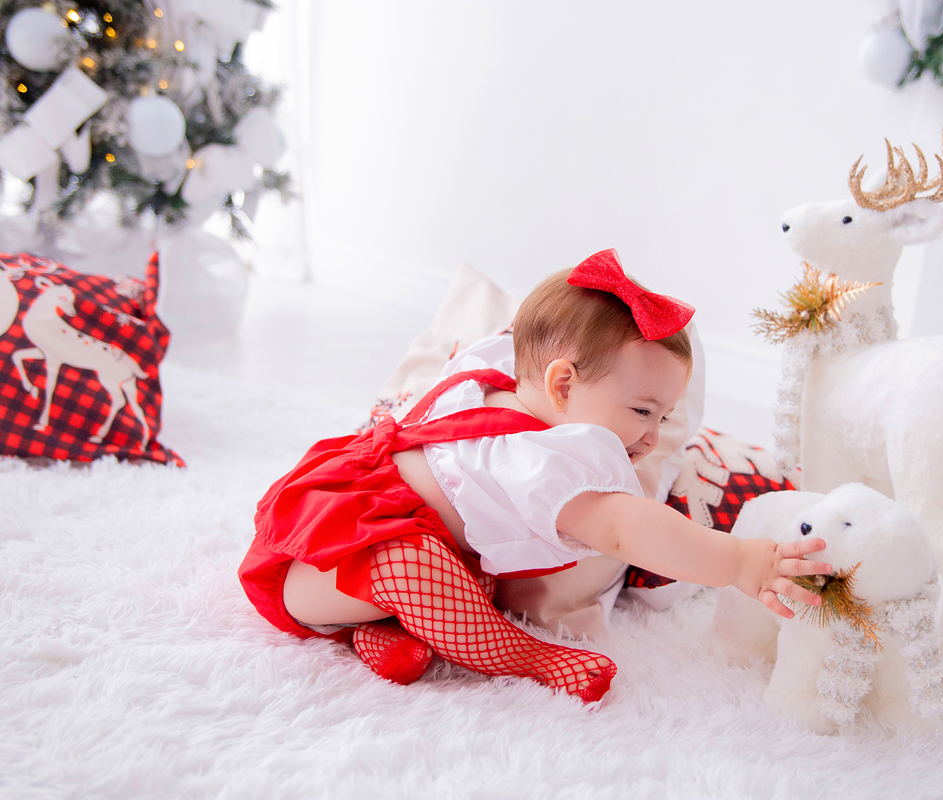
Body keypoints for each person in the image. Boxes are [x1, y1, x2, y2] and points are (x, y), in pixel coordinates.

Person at [238, 249, 831, 703]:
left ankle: (387, 634)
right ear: (562, 384)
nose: (653, 438)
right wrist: (741, 562)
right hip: (331, 554)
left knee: (445, 577)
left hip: (402, 554)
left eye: (666, 416)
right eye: (643, 412)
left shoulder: (502, 372)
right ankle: (524, 656)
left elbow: (532, 347)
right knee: (417, 567)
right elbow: (629, 530)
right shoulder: (550, 459)